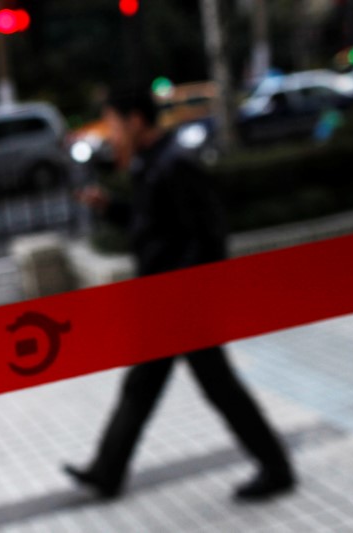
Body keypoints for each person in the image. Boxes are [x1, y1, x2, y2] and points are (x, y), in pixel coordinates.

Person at [64, 87, 296, 502]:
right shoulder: (151, 165)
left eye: (115, 124)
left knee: (215, 386)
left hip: (181, 303)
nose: (112, 134)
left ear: (136, 120)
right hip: (164, 301)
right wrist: (111, 207)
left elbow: (208, 236)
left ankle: (276, 467)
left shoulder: (175, 164)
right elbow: (150, 225)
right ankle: (106, 471)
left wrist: (184, 293)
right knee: (145, 385)